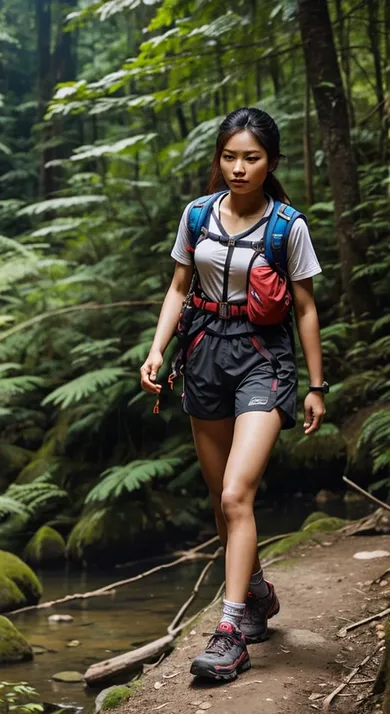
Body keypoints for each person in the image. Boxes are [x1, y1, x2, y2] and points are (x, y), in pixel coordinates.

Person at [140, 107, 327, 681]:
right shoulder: (196, 215)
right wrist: (156, 349)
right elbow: (178, 287)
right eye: (230, 157)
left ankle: (230, 631)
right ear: (218, 158)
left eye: (251, 158)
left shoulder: (286, 225)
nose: (239, 168)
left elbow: (304, 306)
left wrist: (317, 385)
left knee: (235, 496)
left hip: (263, 360)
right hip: (202, 356)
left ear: (270, 162)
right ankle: (258, 592)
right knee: (221, 500)